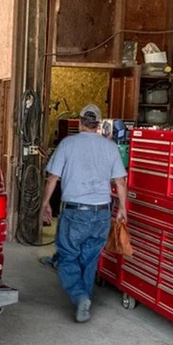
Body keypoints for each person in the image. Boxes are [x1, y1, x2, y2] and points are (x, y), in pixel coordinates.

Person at [41, 104, 127, 323]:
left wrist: (45, 204)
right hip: (102, 212)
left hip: (75, 212)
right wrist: (123, 208)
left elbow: (53, 178)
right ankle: (85, 301)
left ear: (80, 122)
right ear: (98, 124)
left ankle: (80, 297)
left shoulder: (68, 144)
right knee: (90, 258)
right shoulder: (110, 147)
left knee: (67, 255)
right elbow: (120, 181)